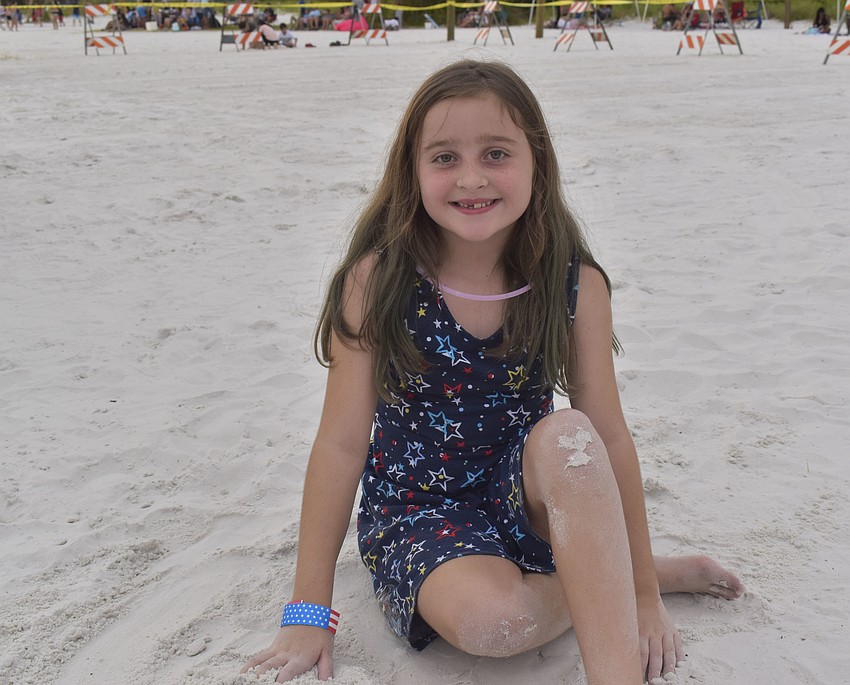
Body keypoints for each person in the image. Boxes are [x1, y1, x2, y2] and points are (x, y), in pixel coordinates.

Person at [241, 59, 744, 685]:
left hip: (527, 495)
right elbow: (342, 443)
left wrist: (642, 598)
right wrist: (308, 611)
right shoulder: (376, 281)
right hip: (420, 511)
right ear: (412, 171)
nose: (471, 177)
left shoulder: (574, 284)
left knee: (572, 436)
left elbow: (609, 437)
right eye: (445, 157)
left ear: (538, 162)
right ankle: (603, 571)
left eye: (497, 153)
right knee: (492, 626)